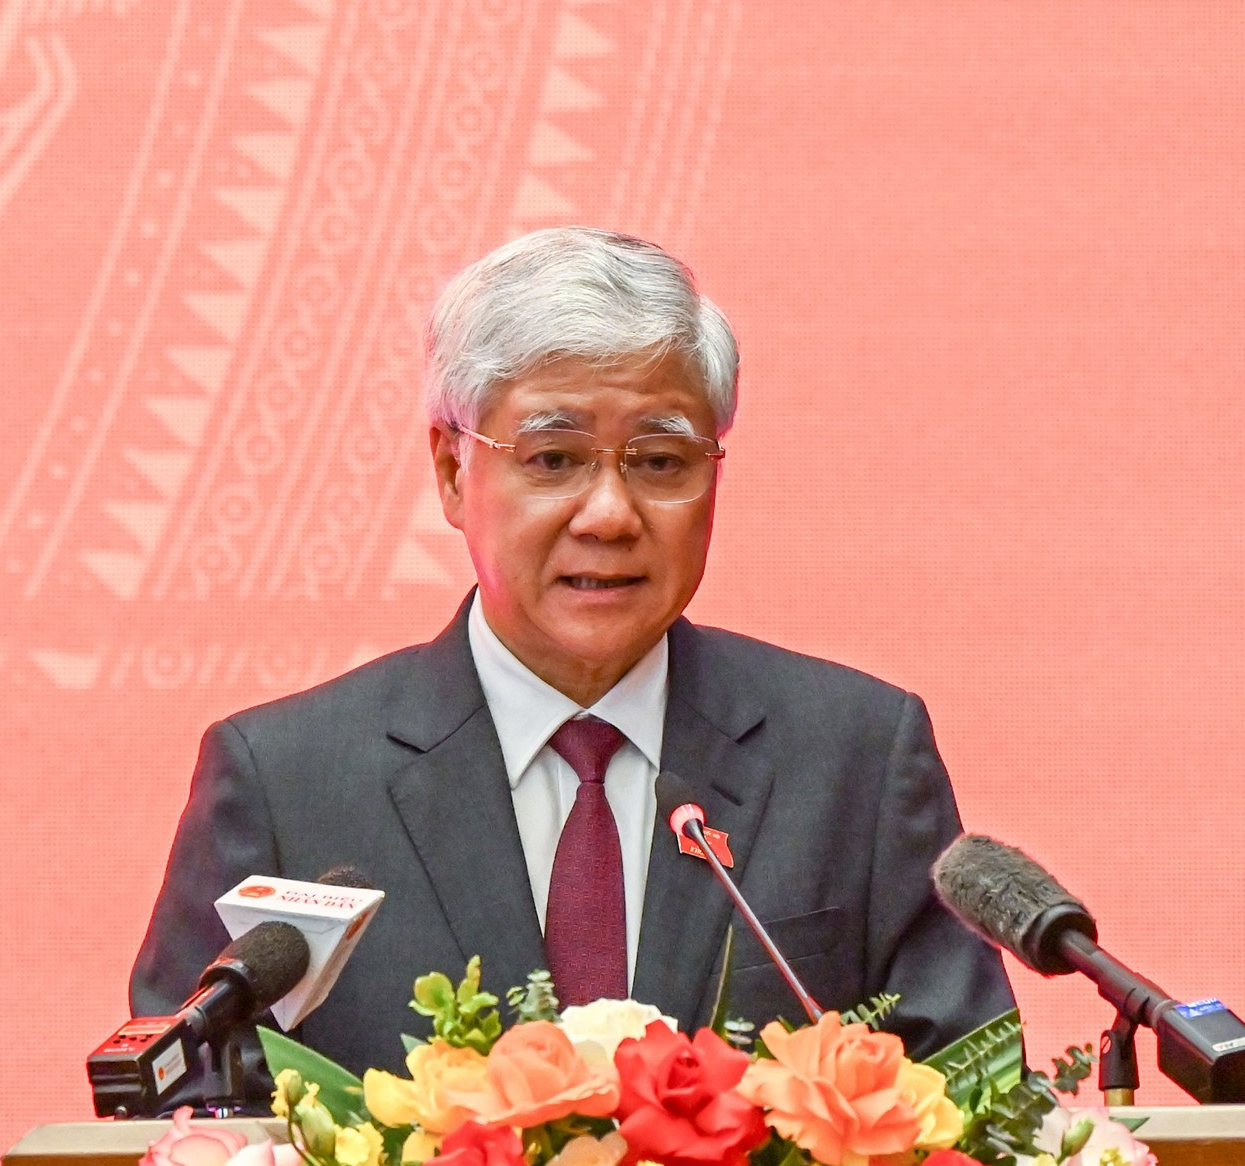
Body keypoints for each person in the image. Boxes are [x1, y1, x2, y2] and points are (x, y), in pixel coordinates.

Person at [130, 227, 1014, 1090]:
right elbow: (176, 1144)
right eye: (553, 458)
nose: (609, 514)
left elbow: (980, 1122)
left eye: (661, 460)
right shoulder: (287, 782)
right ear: (450, 472)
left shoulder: (856, 757)